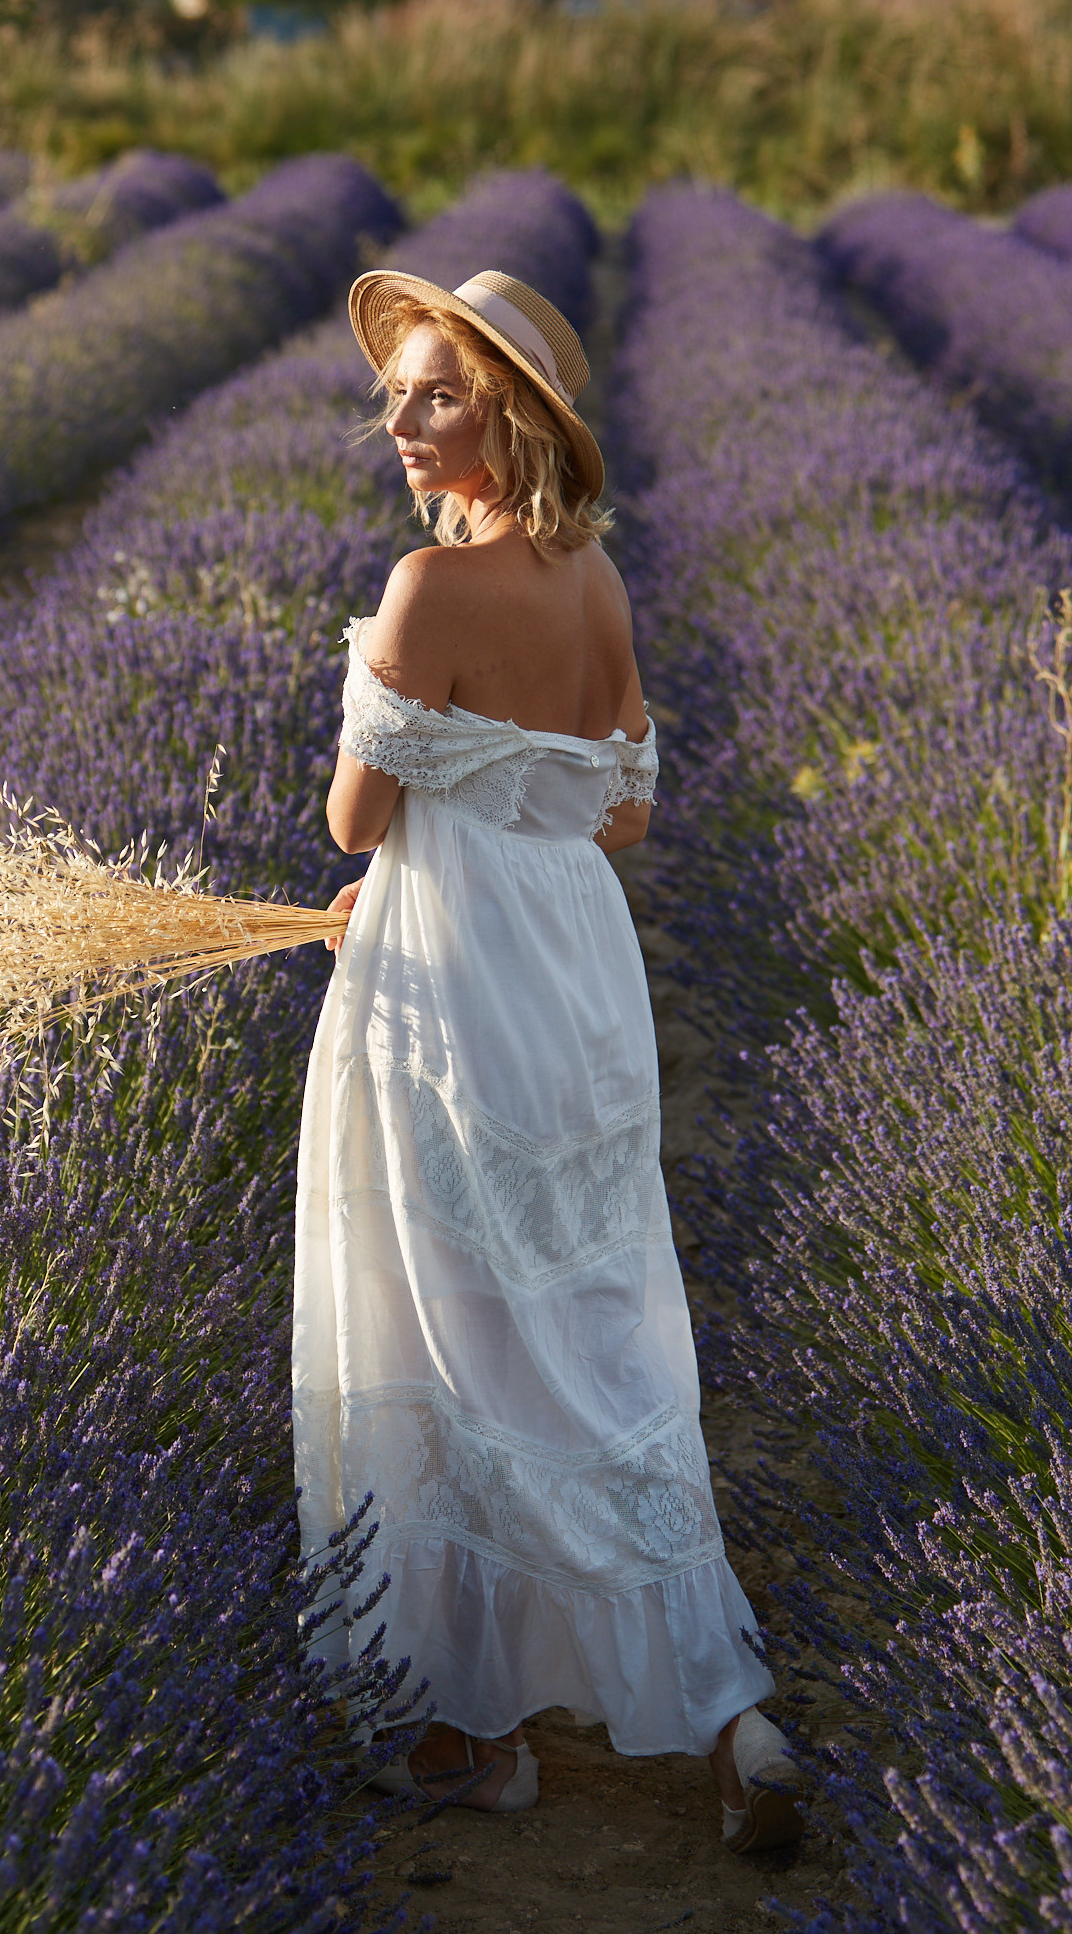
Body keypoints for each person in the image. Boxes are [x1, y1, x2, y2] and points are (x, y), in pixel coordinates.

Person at [291, 266, 804, 1852]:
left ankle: (471, 1724)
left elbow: (353, 822)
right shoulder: (601, 588)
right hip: (578, 971)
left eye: (433, 393)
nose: (398, 418)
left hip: (454, 973)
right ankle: (728, 1711)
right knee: (594, 1321)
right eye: (398, 393)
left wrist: (428, 795)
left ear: (506, 416)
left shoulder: (424, 591)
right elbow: (628, 809)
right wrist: (512, 792)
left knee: (454, 1317)